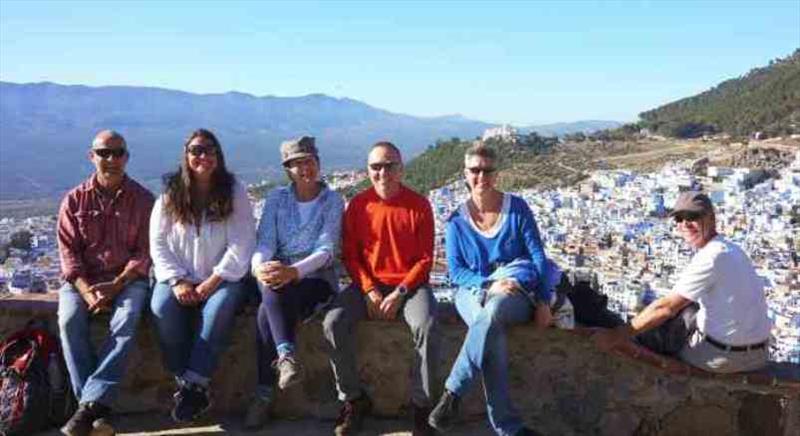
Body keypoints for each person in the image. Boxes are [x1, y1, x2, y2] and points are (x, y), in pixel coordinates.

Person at [427, 145, 552, 436]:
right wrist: (487, 284)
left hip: (514, 292)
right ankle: (508, 429)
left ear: (495, 175)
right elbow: (456, 271)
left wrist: (544, 300)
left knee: (492, 312)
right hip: (471, 291)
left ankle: (452, 393)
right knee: (489, 328)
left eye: (487, 170)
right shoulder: (456, 221)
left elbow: (538, 257)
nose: (480, 176)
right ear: (465, 174)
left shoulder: (517, 208)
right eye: (475, 170)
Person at [323, 141, 440, 436]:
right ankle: (353, 399)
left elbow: (426, 259)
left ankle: (422, 407)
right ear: (368, 170)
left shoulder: (419, 205)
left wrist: (400, 292)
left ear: (400, 169)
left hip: (409, 287)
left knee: (426, 325)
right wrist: (369, 290)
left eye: (389, 166)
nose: (382, 172)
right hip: (369, 286)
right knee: (332, 323)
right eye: (376, 167)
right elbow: (351, 255)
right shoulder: (359, 205)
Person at [594, 191, 771, 374]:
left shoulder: (712, 256)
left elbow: (665, 308)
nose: (685, 224)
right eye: (679, 218)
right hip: (759, 355)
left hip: (724, 358)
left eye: (692, 217)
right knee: (688, 308)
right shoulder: (732, 249)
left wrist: (616, 336)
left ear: (711, 218)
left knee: (654, 331)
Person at [149, 129, 256, 422]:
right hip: (178, 275)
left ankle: (192, 385)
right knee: (161, 308)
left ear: (218, 155)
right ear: (186, 155)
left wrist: (215, 279)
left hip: (223, 276)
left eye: (210, 150)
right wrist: (176, 280)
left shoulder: (234, 190)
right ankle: (188, 383)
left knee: (218, 309)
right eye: (196, 150)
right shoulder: (171, 193)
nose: (203, 156)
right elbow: (158, 242)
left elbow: (242, 241)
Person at [57, 130, 154, 436]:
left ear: (126, 157)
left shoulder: (143, 200)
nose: (111, 159)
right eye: (104, 153)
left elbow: (145, 252)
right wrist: (86, 291)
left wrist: (117, 284)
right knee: (69, 320)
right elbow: (68, 253)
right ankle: (97, 410)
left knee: (126, 320)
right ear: (92, 156)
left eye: (118, 153)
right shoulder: (74, 200)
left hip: (128, 280)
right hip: (81, 281)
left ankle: (86, 409)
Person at [244, 136, 345, 430]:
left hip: (316, 279)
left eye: (309, 162)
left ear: (318, 163)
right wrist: (259, 267)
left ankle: (263, 395)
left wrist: (293, 272)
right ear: (287, 169)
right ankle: (286, 358)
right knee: (271, 291)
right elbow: (265, 242)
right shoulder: (276, 198)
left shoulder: (332, 200)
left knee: (266, 313)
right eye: (297, 164)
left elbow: (326, 250)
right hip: (278, 278)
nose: (305, 169)